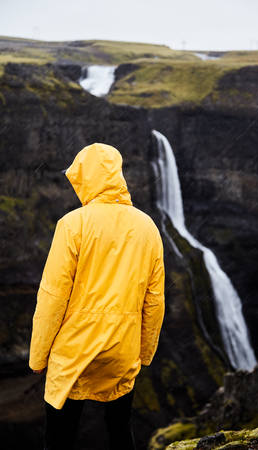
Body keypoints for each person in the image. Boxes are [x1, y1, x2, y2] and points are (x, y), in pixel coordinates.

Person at [29, 142, 165, 450]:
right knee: (119, 429)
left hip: (74, 351)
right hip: (122, 348)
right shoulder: (147, 227)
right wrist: (145, 352)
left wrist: (38, 356)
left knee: (60, 435)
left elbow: (52, 296)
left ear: (85, 178)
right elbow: (154, 299)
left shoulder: (72, 224)